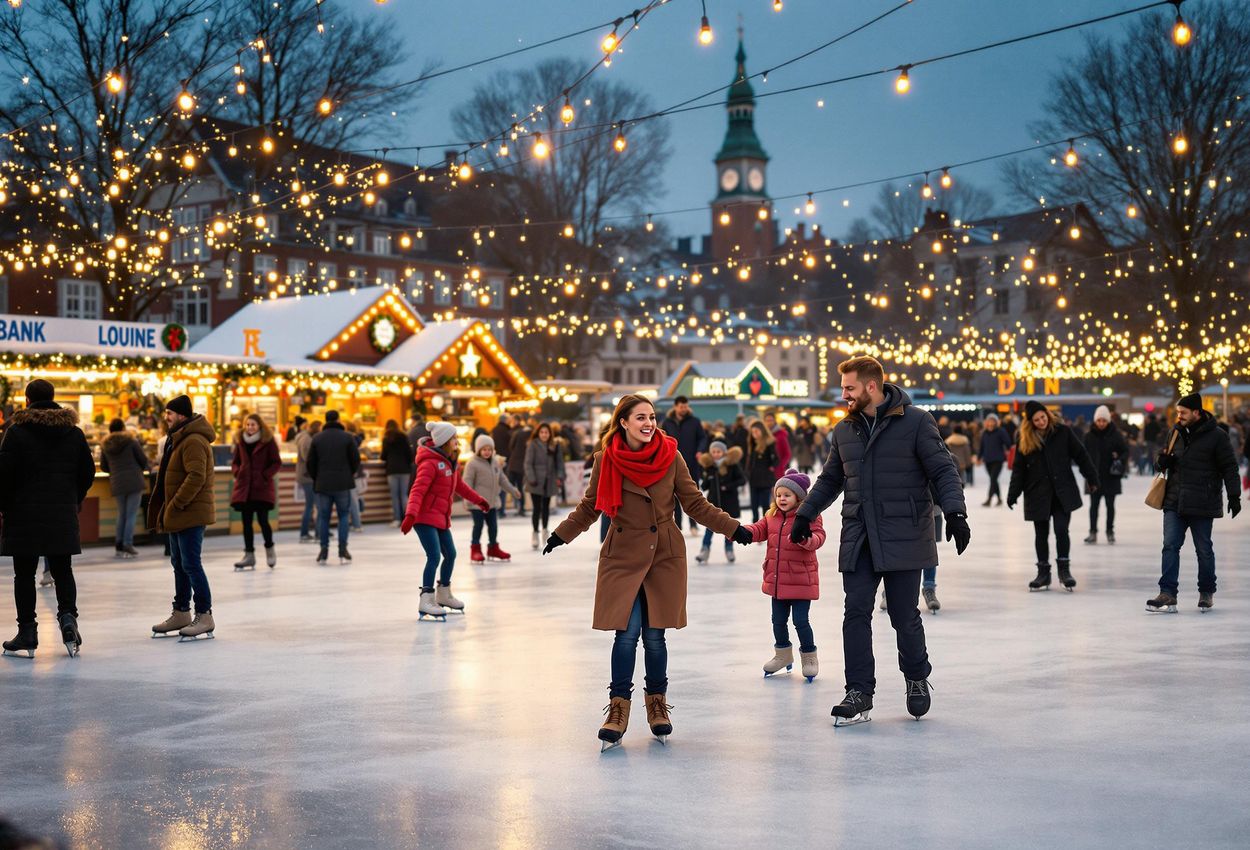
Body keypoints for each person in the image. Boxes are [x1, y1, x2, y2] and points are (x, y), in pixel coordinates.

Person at [541, 394, 749, 750]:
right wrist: (562, 534)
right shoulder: (607, 459)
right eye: (640, 417)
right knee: (626, 633)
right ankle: (617, 709)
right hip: (622, 553)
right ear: (623, 422)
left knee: (654, 636)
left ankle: (657, 705)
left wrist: (732, 528)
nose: (649, 423)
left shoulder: (671, 455)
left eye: (651, 416)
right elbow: (591, 506)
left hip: (664, 553)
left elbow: (695, 503)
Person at [791, 356, 970, 725]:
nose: (843, 395)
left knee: (904, 617)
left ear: (871, 387)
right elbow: (829, 479)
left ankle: (917, 676)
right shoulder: (845, 430)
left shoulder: (917, 422)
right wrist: (805, 514)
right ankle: (859, 691)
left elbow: (942, 469)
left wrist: (955, 512)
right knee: (855, 613)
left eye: (849, 388)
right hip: (860, 535)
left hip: (904, 532)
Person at [0, 380, 95, 658]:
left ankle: (27, 632)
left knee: (25, 575)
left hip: (23, 514)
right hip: (60, 514)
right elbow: (87, 471)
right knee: (62, 570)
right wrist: (73, 497)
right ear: (53, 399)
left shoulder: (16, 432)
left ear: (27, 400)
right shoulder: (73, 433)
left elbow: (3, 474)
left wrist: (5, 506)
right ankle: (68, 619)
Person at [1146, 393, 1241, 613]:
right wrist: (1161, 461)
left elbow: (1229, 466)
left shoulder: (1217, 436)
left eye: (1183, 412)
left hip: (1202, 501)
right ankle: (1167, 592)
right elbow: (1160, 460)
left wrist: (1234, 496)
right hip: (1174, 500)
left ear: (1196, 412)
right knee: (1170, 546)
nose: (1179, 416)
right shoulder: (1175, 432)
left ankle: (1206, 592)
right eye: (1178, 412)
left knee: (1204, 549)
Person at [742, 469, 827, 682]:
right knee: (777, 621)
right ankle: (782, 655)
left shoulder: (809, 516)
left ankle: (809, 657)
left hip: (800, 581)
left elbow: (819, 537)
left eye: (787, 495)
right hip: (778, 581)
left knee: (801, 621)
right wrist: (738, 531)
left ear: (798, 497)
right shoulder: (771, 517)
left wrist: (806, 538)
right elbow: (758, 530)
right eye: (779, 494)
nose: (781, 499)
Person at [400, 423, 491, 619]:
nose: (456, 441)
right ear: (444, 441)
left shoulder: (450, 462)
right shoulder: (430, 463)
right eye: (453, 438)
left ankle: (443, 595)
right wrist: (410, 515)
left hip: (440, 517)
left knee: (450, 554)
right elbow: (418, 490)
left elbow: (461, 487)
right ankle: (426, 599)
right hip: (423, 517)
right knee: (434, 556)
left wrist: (479, 500)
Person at [1007, 401, 1099, 592]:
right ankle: (1043, 574)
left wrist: (1092, 477)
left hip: (1061, 492)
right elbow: (1019, 469)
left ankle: (1064, 571)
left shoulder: (1062, 432)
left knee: (1061, 530)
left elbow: (1080, 454)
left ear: (1047, 414)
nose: (1042, 421)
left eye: (1043, 417)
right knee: (1041, 534)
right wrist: (1013, 493)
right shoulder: (1024, 439)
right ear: (1030, 422)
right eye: (1037, 419)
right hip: (1037, 493)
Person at [148, 394, 217, 640]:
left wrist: (177, 502)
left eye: (170, 413)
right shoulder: (178, 439)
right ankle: (181, 612)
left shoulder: (194, 440)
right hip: (179, 512)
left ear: (182, 416)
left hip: (189, 511)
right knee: (179, 564)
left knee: (191, 563)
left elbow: (196, 476)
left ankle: (204, 614)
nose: (166, 417)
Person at [230, 413, 282, 570]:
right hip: (245, 488)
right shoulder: (241, 441)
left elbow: (276, 462)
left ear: (259, 425)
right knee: (246, 522)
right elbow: (236, 462)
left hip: (261, 487)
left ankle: (269, 549)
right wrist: (238, 472)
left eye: (253, 424)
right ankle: (249, 555)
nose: (250, 427)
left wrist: (264, 475)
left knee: (263, 521)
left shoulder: (267, 440)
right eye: (247, 424)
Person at [307, 409, 360, 565]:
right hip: (343, 483)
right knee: (344, 516)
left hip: (323, 484)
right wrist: (348, 474)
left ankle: (324, 550)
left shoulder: (317, 438)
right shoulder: (348, 438)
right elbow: (355, 460)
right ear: (338, 420)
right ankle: (342, 548)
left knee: (324, 517)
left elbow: (310, 463)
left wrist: (317, 478)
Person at [462, 434, 521, 563]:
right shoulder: (472, 464)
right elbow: (466, 484)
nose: (487, 452)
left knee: (493, 527)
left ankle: (493, 548)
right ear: (478, 450)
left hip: (492, 503)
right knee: (478, 526)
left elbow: (502, 479)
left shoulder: (495, 462)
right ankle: (475, 550)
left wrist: (513, 490)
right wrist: (469, 501)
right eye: (484, 449)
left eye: (489, 449)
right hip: (477, 504)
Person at [99, 417, 151, 559]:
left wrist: (115, 471)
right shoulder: (131, 441)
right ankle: (128, 543)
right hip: (134, 480)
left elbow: (104, 466)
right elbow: (143, 460)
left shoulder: (105, 445)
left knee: (122, 514)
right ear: (123, 428)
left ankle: (119, 544)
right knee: (131, 514)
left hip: (117, 482)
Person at [1083, 405, 1130, 544]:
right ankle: (1092, 532)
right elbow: (1082, 455)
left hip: (1111, 477)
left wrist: (1119, 458)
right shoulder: (1089, 436)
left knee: (1110, 506)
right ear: (1095, 421)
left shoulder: (1116, 435)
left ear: (1108, 420)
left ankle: (1110, 531)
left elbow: (1125, 451)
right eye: (1099, 420)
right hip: (1094, 477)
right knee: (1094, 506)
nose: (1101, 423)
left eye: (1104, 420)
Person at [662, 396, 708, 535]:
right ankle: (678, 526)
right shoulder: (668, 422)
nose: (684, 409)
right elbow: (662, 439)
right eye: (681, 406)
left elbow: (703, 437)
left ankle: (693, 525)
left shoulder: (694, 422)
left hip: (691, 464)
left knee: (692, 495)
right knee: (674, 496)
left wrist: (700, 450)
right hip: (671, 464)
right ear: (675, 407)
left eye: (686, 406)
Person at [696, 440, 745, 565]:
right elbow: (705, 486)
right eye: (714, 452)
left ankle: (729, 550)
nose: (716, 454)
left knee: (728, 528)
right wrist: (708, 476)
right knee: (709, 528)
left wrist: (728, 486)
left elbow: (742, 480)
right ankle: (704, 550)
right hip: (713, 503)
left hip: (729, 502)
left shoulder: (732, 465)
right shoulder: (710, 467)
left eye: (718, 452)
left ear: (724, 452)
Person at [524, 421, 565, 550]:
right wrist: (531, 478)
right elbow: (528, 463)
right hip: (535, 481)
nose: (544, 434)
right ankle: (535, 533)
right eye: (542, 432)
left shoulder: (554, 445)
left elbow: (559, 462)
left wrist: (559, 476)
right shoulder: (533, 445)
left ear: (549, 434)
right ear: (538, 433)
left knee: (546, 507)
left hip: (549, 480)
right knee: (536, 508)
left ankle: (545, 531)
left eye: (546, 432)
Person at [381, 419, 415, 527]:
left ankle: (397, 519)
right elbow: (409, 454)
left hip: (392, 469)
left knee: (395, 496)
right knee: (404, 495)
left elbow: (383, 456)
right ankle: (407, 518)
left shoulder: (386, 438)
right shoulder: (404, 437)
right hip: (404, 469)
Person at [746, 419, 779, 522]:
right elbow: (750, 461)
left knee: (765, 505)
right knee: (754, 505)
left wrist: (771, 466)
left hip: (765, 479)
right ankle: (755, 528)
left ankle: (767, 524)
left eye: (756, 431)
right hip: (753, 479)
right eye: (753, 432)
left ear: (762, 431)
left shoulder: (769, 443)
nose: (754, 434)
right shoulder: (752, 443)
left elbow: (776, 459)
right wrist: (747, 472)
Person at [978, 413, 1013, 506]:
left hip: (998, 459)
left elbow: (1008, 442)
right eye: (989, 420)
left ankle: (989, 499)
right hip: (987, 459)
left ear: (996, 422)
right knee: (994, 480)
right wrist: (979, 457)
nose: (991, 422)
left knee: (993, 479)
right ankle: (999, 499)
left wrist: (1010, 450)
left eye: (993, 420)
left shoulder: (1001, 431)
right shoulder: (984, 433)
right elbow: (982, 446)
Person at [506, 416, 532, 516]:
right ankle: (521, 508)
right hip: (524, 464)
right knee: (521, 487)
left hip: (514, 462)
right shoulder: (531, 435)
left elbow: (511, 446)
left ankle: (517, 506)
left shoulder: (517, 433)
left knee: (513, 486)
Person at [491, 414, 515, 516]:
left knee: (495, 485)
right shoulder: (508, 431)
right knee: (503, 484)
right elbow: (511, 446)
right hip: (506, 461)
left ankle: (495, 508)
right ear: (505, 421)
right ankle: (502, 509)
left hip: (494, 460)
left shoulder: (494, 430)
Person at [763, 412, 791, 479]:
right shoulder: (762, 435)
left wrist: (780, 466)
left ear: (775, 421)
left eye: (771, 420)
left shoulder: (781, 435)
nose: (769, 422)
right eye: (767, 420)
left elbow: (787, 454)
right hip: (763, 472)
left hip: (777, 472)